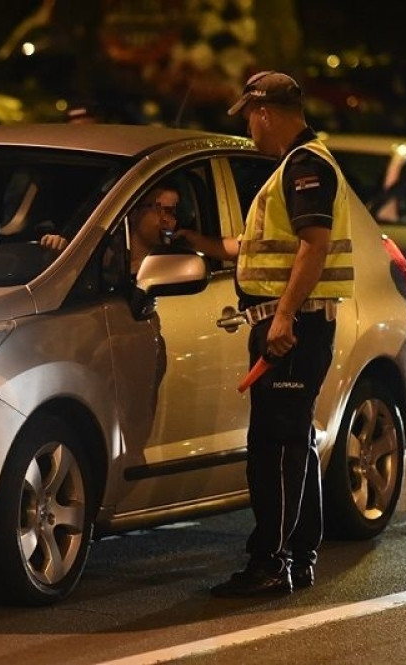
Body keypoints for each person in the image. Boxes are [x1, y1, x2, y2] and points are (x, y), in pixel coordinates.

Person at [177, 71, 354, 597]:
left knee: (274, 449)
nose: (250, 129)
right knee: (292, 441)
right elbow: (255, 247)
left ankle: (271, 564)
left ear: (266, 113)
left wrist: (282, 319)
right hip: (292, 325)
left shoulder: (304, 167)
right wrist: (197, 240)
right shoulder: (292, 168)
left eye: (250, 117)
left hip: (292, 328)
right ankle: (298, 556)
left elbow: (313, 245)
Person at [40, 181, 180, 274]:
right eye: (160, 210)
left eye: (172, 212)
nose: (166, 219)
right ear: (135, 214)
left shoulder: (171, 267)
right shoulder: (101, 252)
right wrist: (60, 253)